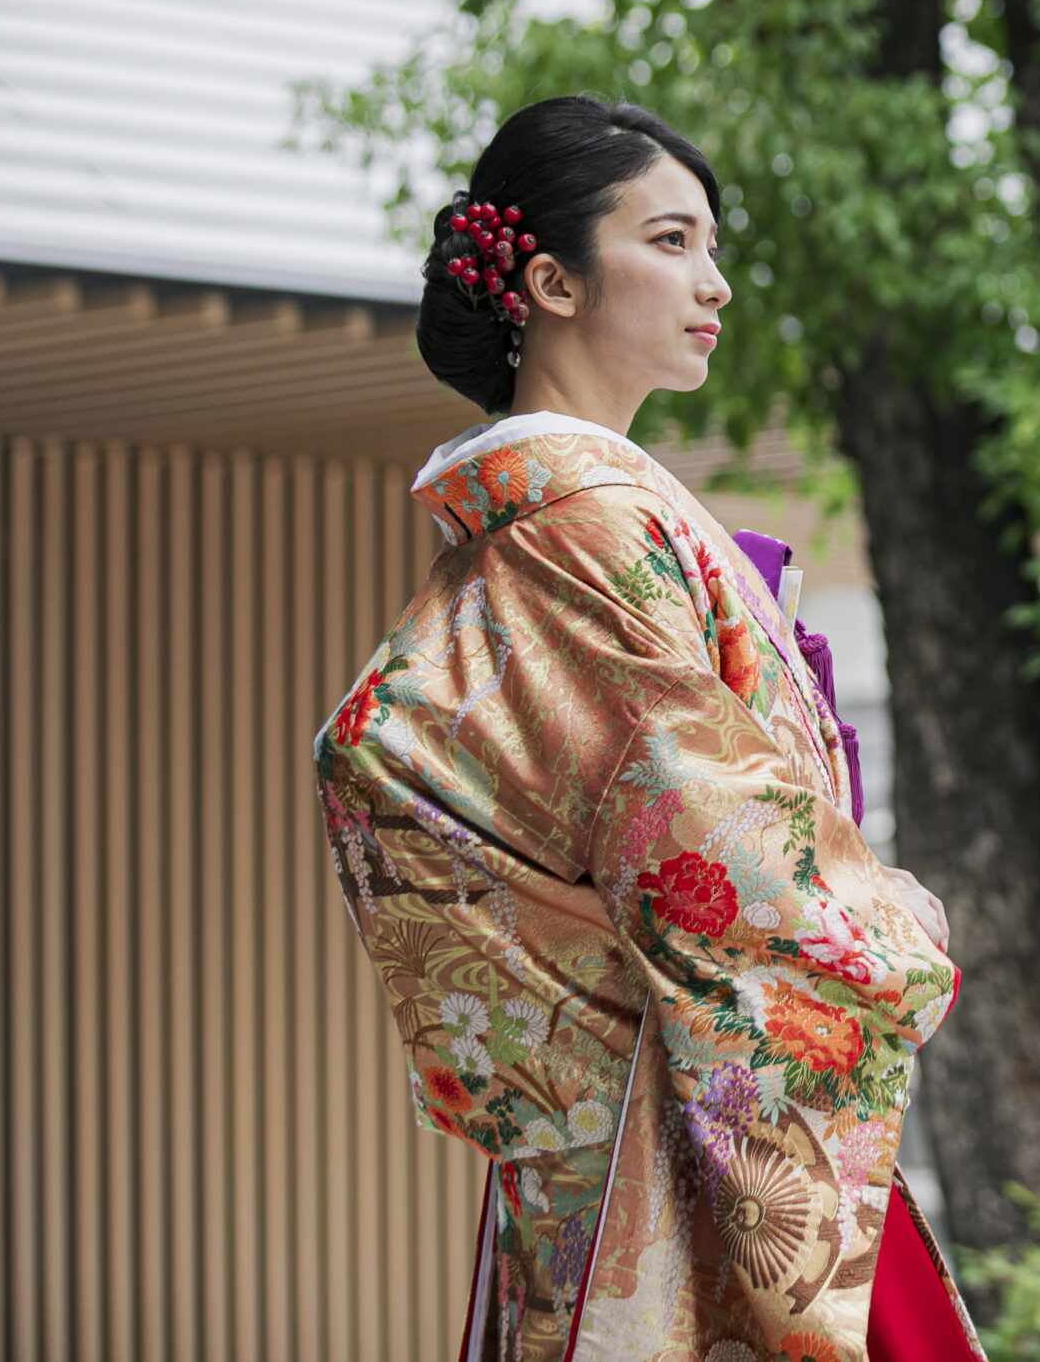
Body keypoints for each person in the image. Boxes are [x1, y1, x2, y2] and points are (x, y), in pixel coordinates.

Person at [314, 96, 983, 1361]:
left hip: (625, 1095)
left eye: (711, 248)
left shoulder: (545, 526)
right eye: (670, 242)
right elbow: (700, 832)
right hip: (675, 1109)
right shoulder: (589, 526)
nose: (713, 283)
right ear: (552, 282)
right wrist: (891, 920)